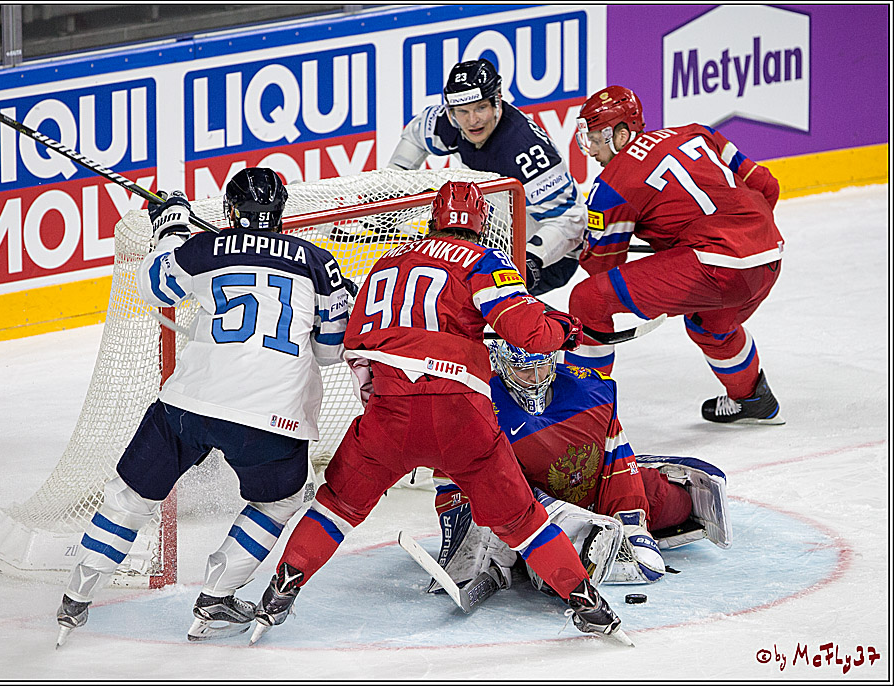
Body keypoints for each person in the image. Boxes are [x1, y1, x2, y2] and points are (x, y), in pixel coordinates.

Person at [247, 180, 632, 647]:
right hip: (460, 416)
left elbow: (356, 347)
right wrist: (565, 328)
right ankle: (586, 602)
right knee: (524, 521)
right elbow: (529, 332)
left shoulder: (381, 265)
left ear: (433, 220)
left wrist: (379, 399)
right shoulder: (483, 262)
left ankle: (280, 590)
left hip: (389, 413)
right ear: (480, 225)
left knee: (337, 505)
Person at [54, 168, 351, 646]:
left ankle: (77, 593)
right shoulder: (321, 264)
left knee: (130, 496)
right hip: (274, 417)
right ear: (280, 213)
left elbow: (153, 286)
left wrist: (172, 225)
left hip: (190, 403)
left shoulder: (202, 248)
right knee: (277, 503)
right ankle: (217, 594)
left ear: (231, 212)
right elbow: (331, 351)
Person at [427, 341, 732, 601]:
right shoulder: (476, 402)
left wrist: (630, 522)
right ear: (502, 363)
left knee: (676, 509)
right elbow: (456, 481)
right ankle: (521, 550)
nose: (535, 379)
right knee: (539, 566)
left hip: (587, 492)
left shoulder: (592, 389)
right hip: (519, 508)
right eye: (523, 369)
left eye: (542, 367)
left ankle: (590, 525)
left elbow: (616, 456)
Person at [567, 85, 785, 425]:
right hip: (769, 253)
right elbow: (768, 186)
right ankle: (752, 398)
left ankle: (580, 415)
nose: (590, 150)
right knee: (709, 323)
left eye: (596, 139)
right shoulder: (699, 132)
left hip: (716, 266)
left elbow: (602, 266)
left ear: (622, 134)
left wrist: (584, 245)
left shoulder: (613, 184)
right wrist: (741, 237)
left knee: (588, 299)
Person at [388, 58, 586, 296]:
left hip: (550, 259)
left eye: (481, 107)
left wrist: (531, 258)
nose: (472, 121)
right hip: (497, 234)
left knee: (449, 294)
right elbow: (415, 135)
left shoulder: (526, 150)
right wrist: (394, 183)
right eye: (463, 111)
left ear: (497, 101)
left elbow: (570, 221)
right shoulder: (450, 122)